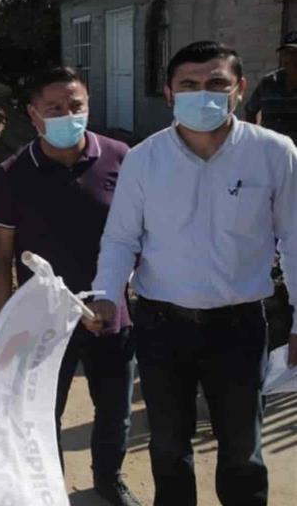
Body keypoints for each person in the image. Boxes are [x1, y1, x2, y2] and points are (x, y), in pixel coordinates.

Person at [88, 41, 297, 505]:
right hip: (163, 325)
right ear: (169, 94)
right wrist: (107, 293)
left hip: (240, 326)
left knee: (243, 451)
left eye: (217, 84)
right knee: (168, 446)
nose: (204, 94)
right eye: (189, 85)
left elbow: (295, 239)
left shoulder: (274, 154)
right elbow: (122, 237)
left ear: (240, 90)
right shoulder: (144, 159)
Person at [0, 66, 139, 506]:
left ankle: (109, 478)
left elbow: (138, 236)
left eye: (76, 106)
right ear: (34, 115)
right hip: (43, 322)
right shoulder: (12, 175)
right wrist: (3, 328)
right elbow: (0, 257)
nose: (68, 115)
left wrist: (119, 293)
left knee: (114, 407)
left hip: (109, 312)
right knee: (41, 411)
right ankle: (48, 483)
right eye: (55, 108)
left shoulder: (121, 158)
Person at [245, 30, 297, 142]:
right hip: (271, 152)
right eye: (287, 53)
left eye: (295, 53)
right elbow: (250, 110)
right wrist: (253, 139)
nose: (291, 58)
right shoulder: (268, 83)